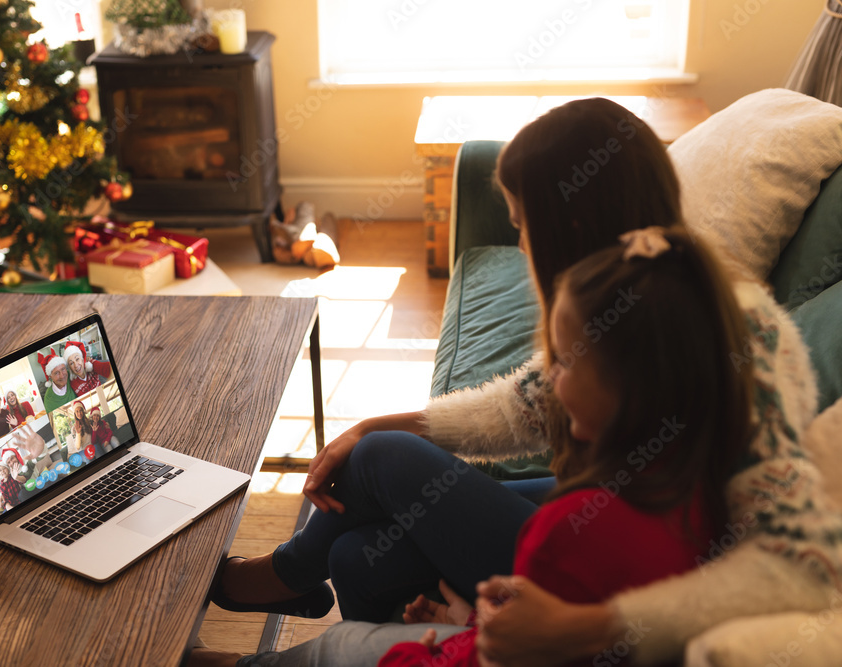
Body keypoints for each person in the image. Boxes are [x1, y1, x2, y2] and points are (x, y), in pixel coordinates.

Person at [203, 97, 842, 665]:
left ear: (569, 227)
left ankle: (288, 575)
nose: (518, 239)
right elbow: (524, 409)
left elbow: (789, 556)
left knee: (380, 461)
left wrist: (585, 626)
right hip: (607, 511)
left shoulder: (737, 339)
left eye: (520, 223)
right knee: (358, 554)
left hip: (637, 574)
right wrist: (372, 421)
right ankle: (330, 589)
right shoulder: (634, 294)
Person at [377, 227, 750, 667]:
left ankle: (291, 575)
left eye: (566, 363)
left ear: (626, 383)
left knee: (334, 638)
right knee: (355, 548)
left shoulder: (567, 529)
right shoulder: (705, 497)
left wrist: (409, 654)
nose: (550, 381)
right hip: (472, 631)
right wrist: (474, 623)